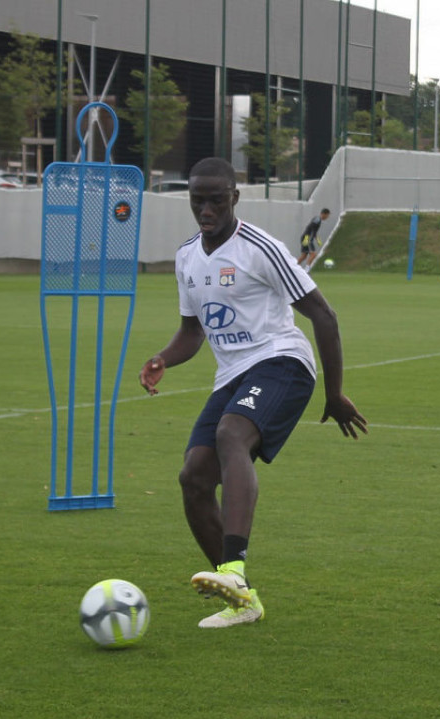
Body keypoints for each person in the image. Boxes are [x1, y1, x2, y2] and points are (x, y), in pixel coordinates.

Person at [138, 158, 366, 629]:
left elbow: (323, 314)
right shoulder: (186, 257)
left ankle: (235, 571)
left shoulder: (261, 248)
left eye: (215, 199)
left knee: (230, 434)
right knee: (194, 479)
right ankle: (244, 603)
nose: (205, 208)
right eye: (197, 199)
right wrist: (163, 357)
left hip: (283, 361)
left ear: (234, 198)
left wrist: (335, 393)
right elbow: (193, 332)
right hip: (232, 375)